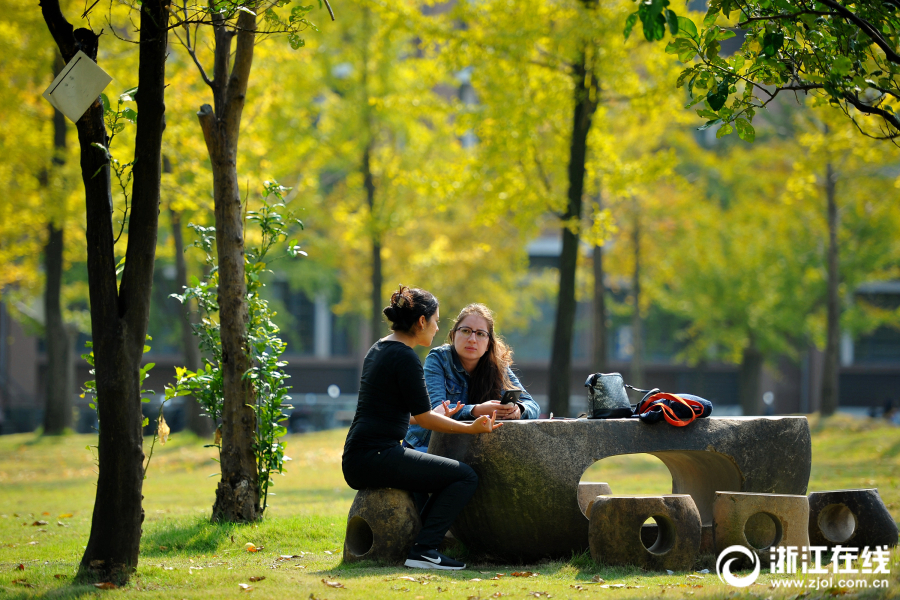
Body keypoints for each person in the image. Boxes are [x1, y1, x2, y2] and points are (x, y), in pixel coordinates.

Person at [342, 286, 502, 571]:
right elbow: (425, 418)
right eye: (436, 320)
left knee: (437, 477)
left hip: (362, 455)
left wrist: (439, 414)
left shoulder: (380, 348)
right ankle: (425, 550)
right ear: (421, 322)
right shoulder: (405, 357)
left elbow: (404, 414)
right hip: (376, 456)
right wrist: (471, 429)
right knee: (464, 476)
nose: (438, 327)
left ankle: (422, 544)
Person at [404, 303, 539, 452]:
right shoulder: (439, 359)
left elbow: (532, 405)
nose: (472, 339)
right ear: (454, 335)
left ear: (488, 344)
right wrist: (476, 410)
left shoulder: (497, 365)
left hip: (469, 450)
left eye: (480, 334)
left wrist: (519, 409)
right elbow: (439, 410)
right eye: (466, 331)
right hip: (426, 446)